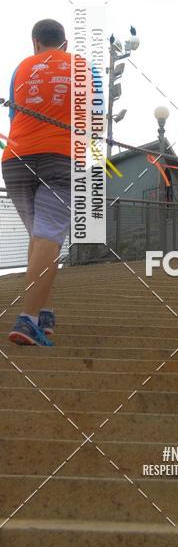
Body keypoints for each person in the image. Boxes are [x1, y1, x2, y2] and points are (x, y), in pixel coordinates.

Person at [2, 20, 75, 345]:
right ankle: (28, 318)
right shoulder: (83, 68)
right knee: (48, 235)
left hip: (15, 160)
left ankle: (44, 312)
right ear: (65, 43)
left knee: (41, 235)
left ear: (35, 42)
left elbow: (14, 118)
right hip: (61, 157)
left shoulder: (21, 69)